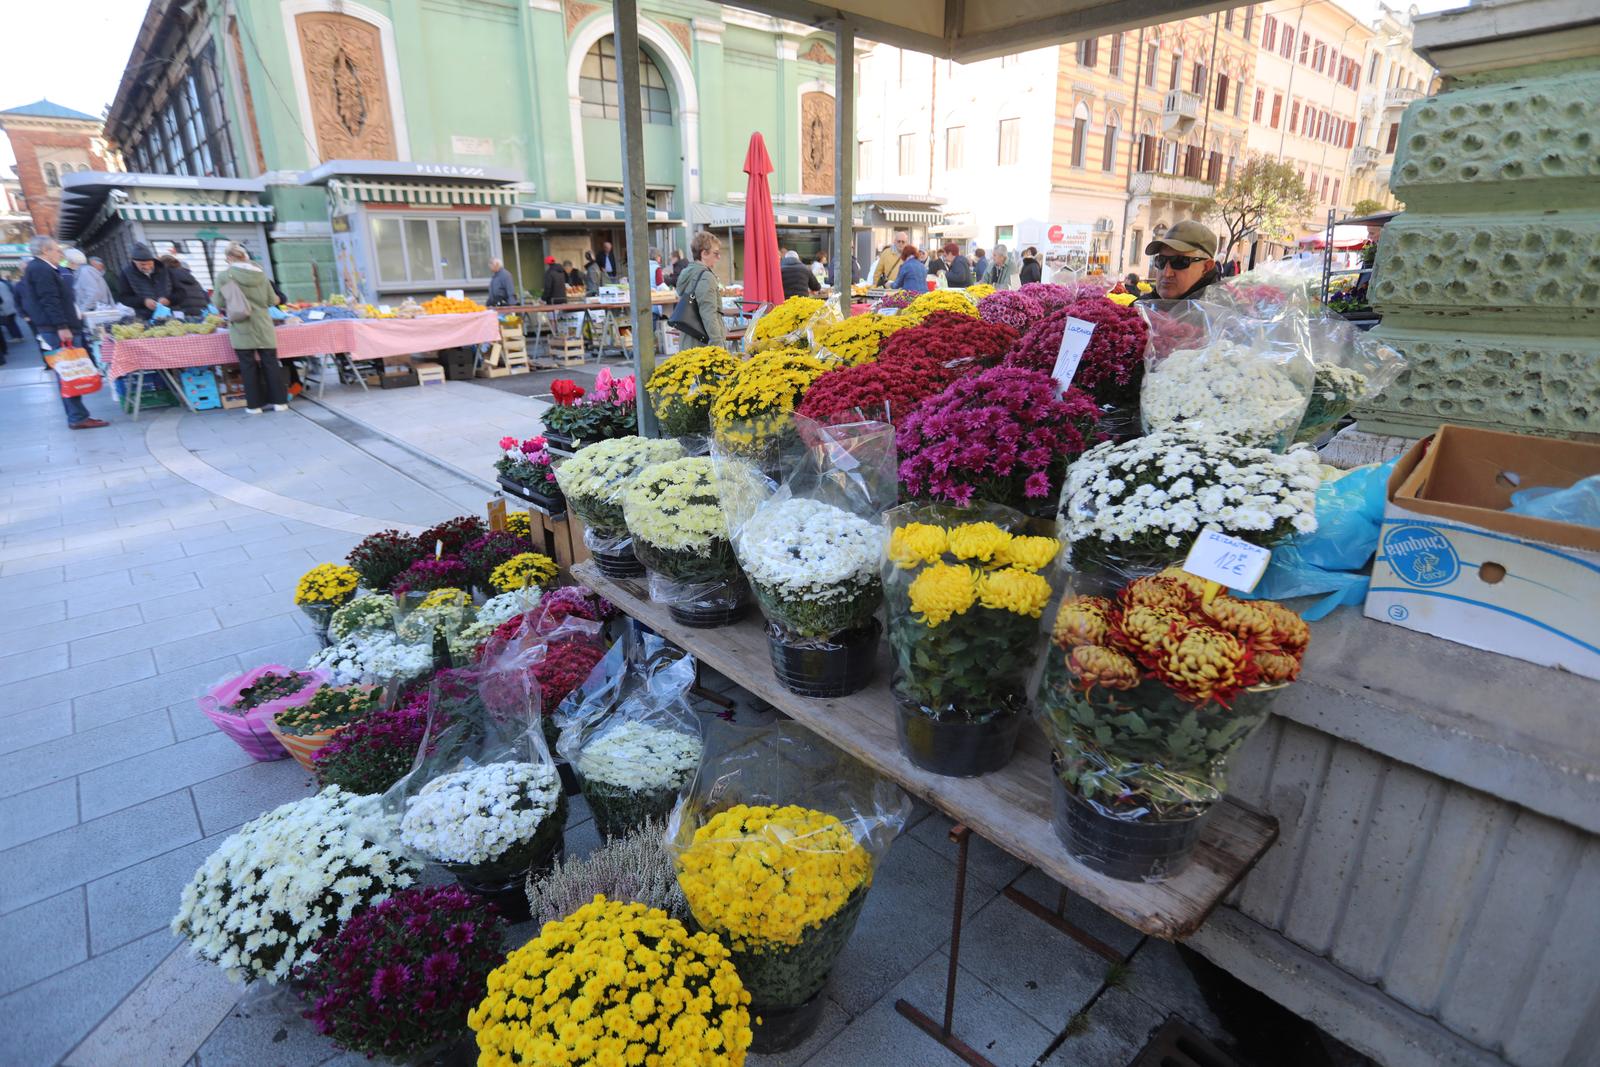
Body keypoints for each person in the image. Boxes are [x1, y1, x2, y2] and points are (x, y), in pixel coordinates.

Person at [23, 236, 108, 429]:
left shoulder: (40, 268)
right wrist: (62, 326)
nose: (60, 254)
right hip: (58, 329)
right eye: (56, 250)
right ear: (45, 251)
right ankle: (77, 417)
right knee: (68, 372)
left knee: (68, 371)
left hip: (58, 326)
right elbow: (49, 300)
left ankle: (78, 415)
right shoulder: (41, 269)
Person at [215, 242, 288, 413]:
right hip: (263, 324)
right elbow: (272, 300)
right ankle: (280, 402)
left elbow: (218, 302)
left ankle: (255, 406)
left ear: (229, 258)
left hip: (241, 325)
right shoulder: (261, 275)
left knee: (248, 366)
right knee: (271, 363)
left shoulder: (224, 276)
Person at [1140, 221, 1221, 300]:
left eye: (1179, 262)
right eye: (1161, 261)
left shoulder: (1221, 311)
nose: (1167, 273)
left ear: (1206, 267)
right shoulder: (1138, 308)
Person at [676, 230, 725, 346]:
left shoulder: (688, 272)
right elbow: (709, 314)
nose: (718, 257)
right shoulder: (706, 277)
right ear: (704, 254)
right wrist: (718, 345)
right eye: (716, 253)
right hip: (703, 345)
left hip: (688, 340)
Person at [119, 244, 172, 320]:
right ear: (134, 262)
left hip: (170, 315)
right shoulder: (126, 273)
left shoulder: (164, 269)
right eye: (142, 264)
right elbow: (124, 298)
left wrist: (169, 299)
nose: (147, 267)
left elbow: (180, 291)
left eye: (150, 263)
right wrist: (144, 302)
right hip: (144, 318)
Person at [65, 249, 111, 313]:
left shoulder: (85, 272)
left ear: (72, 261)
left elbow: (92, 294)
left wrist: (81, 310)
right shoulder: (82, 271)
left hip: (94, 313)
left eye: (65, 261)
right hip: (93, 312)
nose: (64, 264)